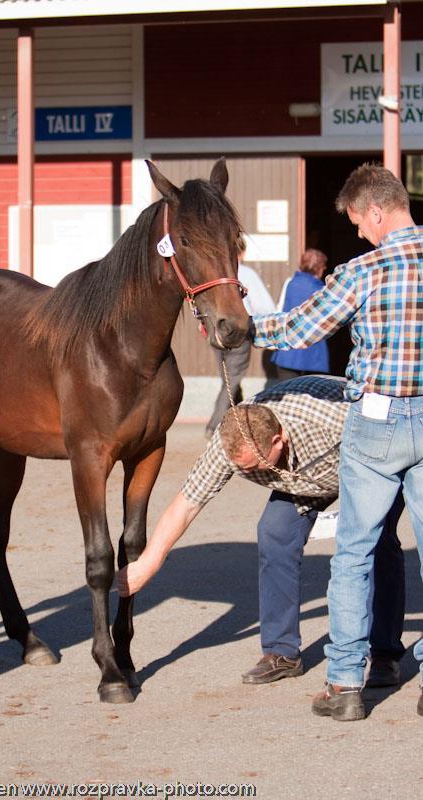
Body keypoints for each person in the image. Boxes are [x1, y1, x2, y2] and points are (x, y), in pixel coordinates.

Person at [249, 163, 423, 721]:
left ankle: (345, 685)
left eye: (357, 222)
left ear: (376, 210)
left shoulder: (364, 269)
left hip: (375, 420)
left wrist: (247, 327)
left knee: (354, 554)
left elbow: (303, 327)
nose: (358, 233)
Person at [118, 375, 406, 686]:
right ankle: (281, 651)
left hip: (369, 463)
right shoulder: (229, 442)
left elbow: (391, 438)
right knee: (274, 532)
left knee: (378, 542)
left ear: (278, 440)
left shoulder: (331, 418)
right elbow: (186, 503)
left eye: (255, 467)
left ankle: (384, 653)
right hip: (302, 480)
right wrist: (147, 564)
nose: (248, 474)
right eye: (242, 469)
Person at [205, 261, 275, 439]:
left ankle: (238, 419)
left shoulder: (214, 272)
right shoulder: (246, 273)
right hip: (238, 333)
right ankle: (214, 425)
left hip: (217, 331)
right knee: (232, 380)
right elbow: (264, 306)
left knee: (228, 380)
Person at [271, 249, 330, 379]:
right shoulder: (322, 290)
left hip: (288, 350)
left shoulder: (290, 283)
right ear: (320, 268)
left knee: (287, 394)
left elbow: (279, 311)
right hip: (313, 353)